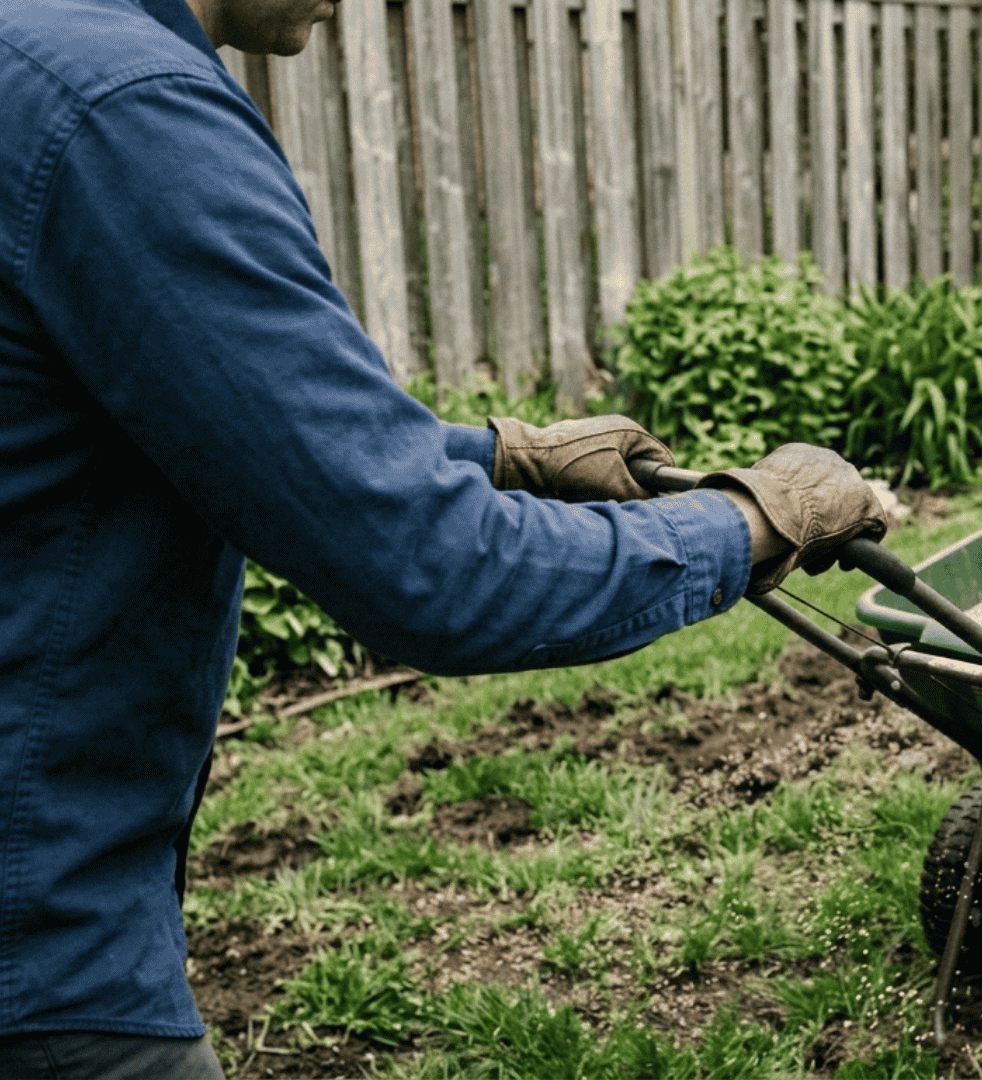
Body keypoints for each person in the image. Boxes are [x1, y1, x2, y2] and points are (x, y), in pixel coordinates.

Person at [0, 0, 887, 1074]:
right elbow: (435, 570)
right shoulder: (130, 116)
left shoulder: (31, 59)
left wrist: (503, 454)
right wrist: (751, 519)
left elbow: (188, 425)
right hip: (43, 954)